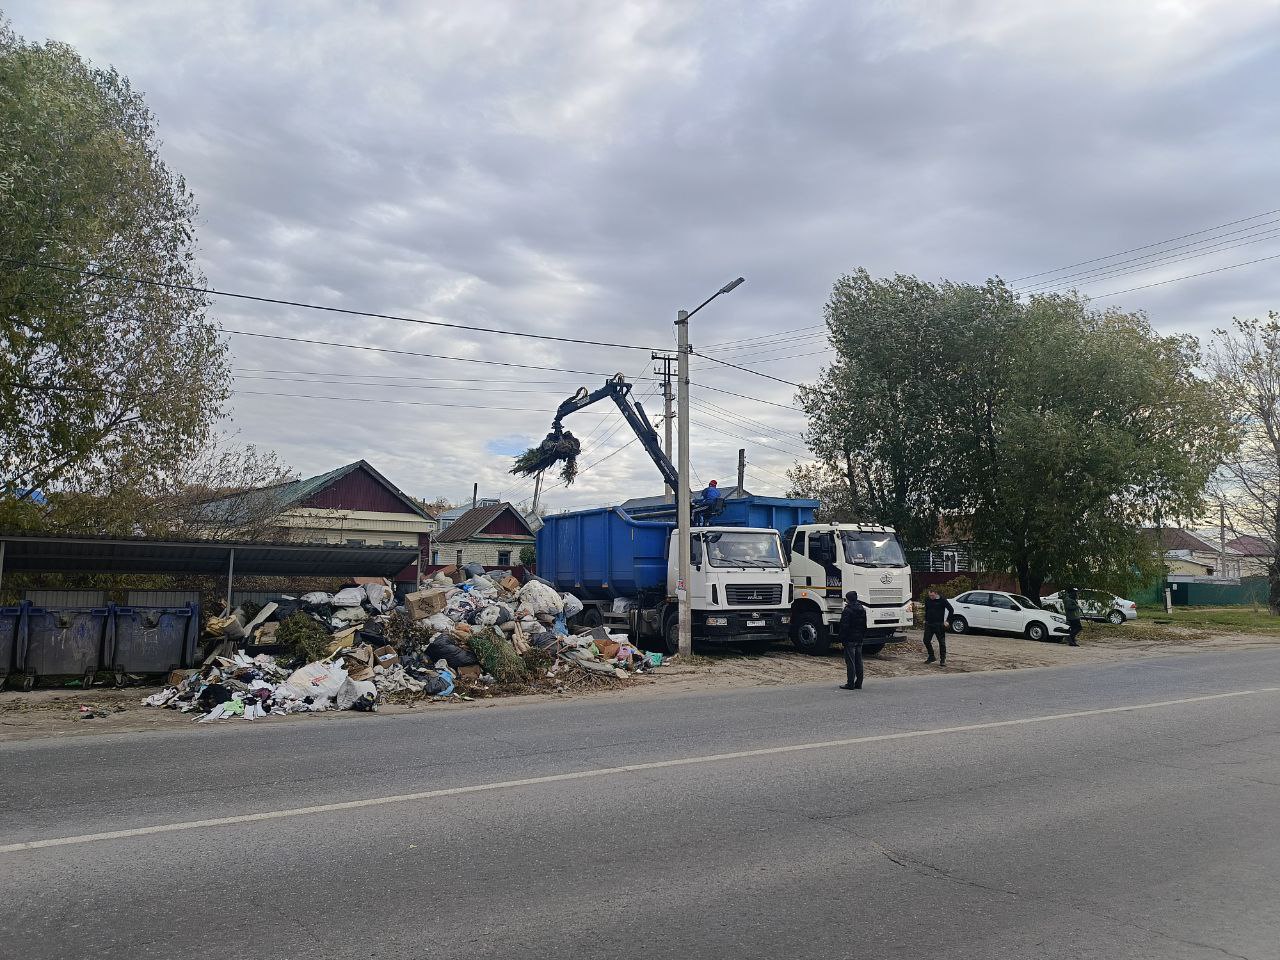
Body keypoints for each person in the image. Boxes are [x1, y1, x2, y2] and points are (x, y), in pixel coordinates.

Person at [838, 590, 867, 690]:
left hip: (850, 639)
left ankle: (850, 683)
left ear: (848, 599)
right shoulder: (862, 609)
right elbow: (864, 625)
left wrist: (842, 638)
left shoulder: (847, 610)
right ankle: (859, 683)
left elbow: (844, 626)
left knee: (850, 662)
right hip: (859, 638)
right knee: (859, 661)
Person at [921, 588, 953, 665]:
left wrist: (947, 621)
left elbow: (951, 610)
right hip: (929, 624)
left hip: (939, 624)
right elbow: (927, 610)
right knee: (926, 640)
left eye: (932, 595)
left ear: (936, 594)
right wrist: (925, 619)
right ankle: (931, 656)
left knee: (941, 643)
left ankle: (942, 660)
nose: (931, 597)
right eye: (929, 595)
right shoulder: (927, 600)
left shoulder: (942, 600)